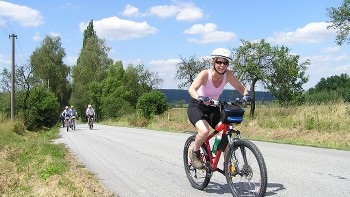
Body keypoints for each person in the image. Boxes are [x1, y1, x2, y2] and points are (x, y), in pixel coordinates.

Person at [187, 48, 252, 169]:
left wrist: (246, 96)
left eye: (225, 63)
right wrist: (200, 97)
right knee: (204, 131)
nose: (222, 65)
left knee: (225, 133)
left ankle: (228, 164)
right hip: (197, 106)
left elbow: (241, 88)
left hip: (213, 107)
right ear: (214, 62)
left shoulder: (228, 75)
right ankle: (194, 153)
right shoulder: (205, 74)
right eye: (219, 62)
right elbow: (191, 89)